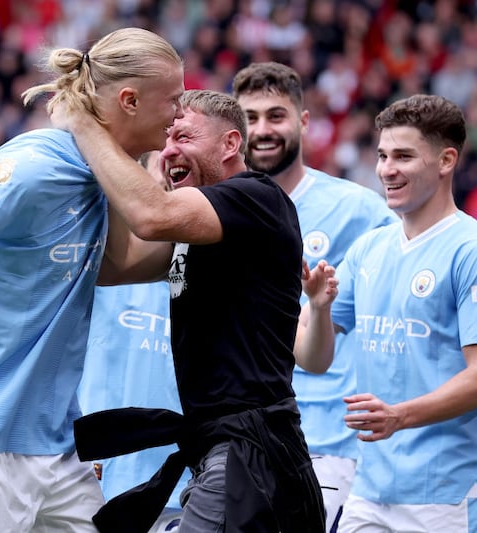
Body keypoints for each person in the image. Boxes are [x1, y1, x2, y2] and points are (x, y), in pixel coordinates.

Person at [0, 27, 186, 532]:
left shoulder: (104, 178)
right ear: (130, 100)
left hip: (56, 446)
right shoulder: (35, 165)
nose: (179, 115)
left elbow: (118, 267)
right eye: (174, 100)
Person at [56, 89, 334, 532]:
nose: (167, 151)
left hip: (250, 454)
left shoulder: (256, 196)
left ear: (229, 145)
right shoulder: (200, 231)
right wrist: (101, 167)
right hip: (229, 453)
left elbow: (150, 216)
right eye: (164, 141)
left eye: (183, 136)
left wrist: (90, 127)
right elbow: (115, 266)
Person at [329, 94, 477, 532]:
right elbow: (313, 356)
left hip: (449, 493)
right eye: (382, 155)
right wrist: (318, 308)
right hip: (371, 488)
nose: (386, 169)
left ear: (446, 160)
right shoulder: (368, 248)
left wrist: (400, 417)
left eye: (403, 156)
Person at [231, 61, 399, 532]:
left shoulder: (360, 211)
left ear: (303, 121)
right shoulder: (216, 206)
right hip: (240, 435)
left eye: (276, 115)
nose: (262, 130)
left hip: (325, 437)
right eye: (250, 117)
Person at [77, 150, 187, 533]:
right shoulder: (104, 262)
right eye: (160, 161)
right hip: (98, 478)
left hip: (183, 483)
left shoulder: (210, 263)